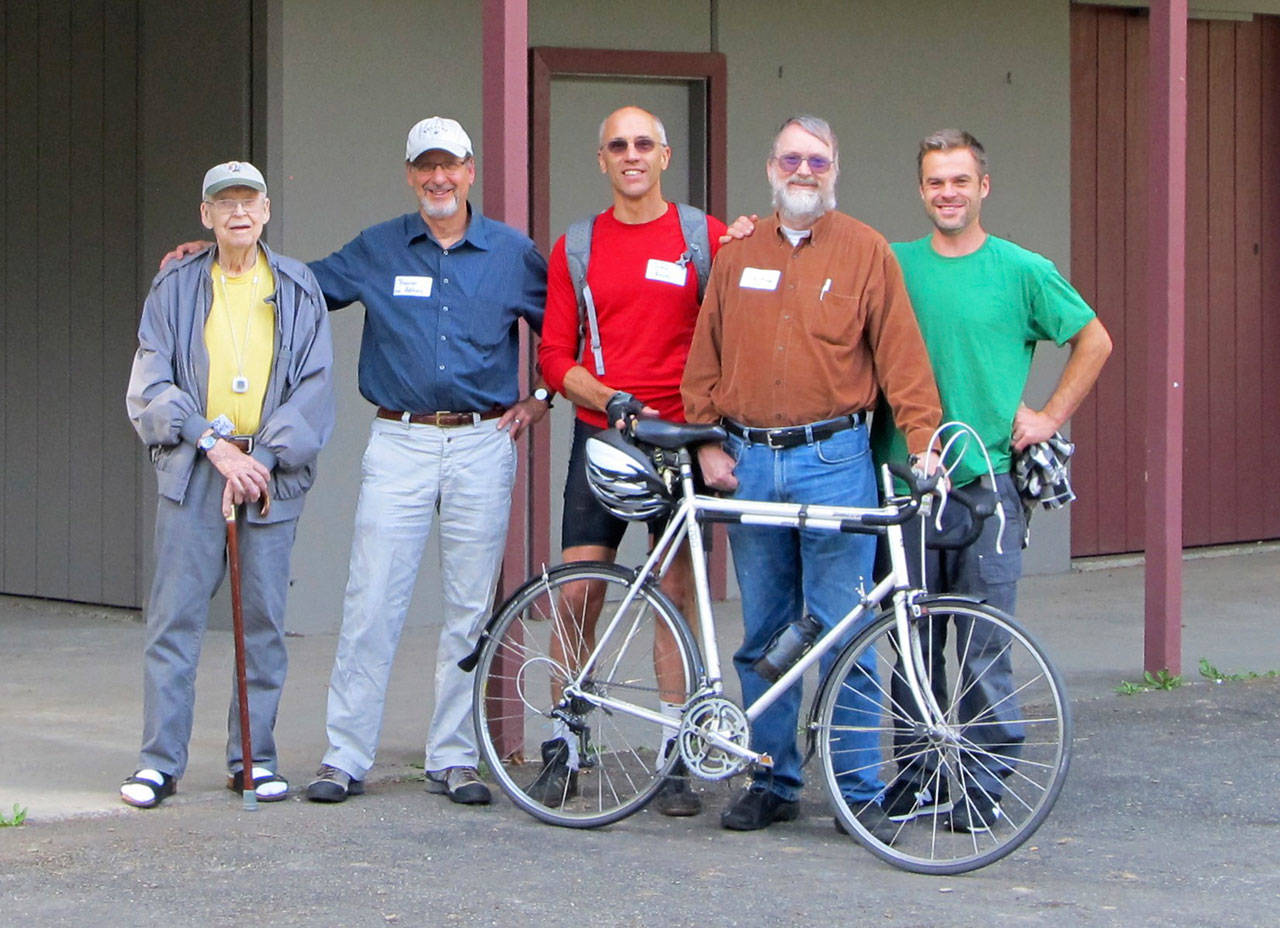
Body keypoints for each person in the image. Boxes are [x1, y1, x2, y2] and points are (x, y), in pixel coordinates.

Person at [163, 120, 547, 807]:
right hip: (399, 440)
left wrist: (541, 398)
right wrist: (220, 250)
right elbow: (294, 285)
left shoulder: (513, 254)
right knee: (372, 600)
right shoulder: (378, 247)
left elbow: (566, 323)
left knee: (467, 606)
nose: (438, 178)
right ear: (409, 173)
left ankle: (454, 757)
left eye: (449, 166)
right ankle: (346, 756)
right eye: (425, 167)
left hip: (482, 442)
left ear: (470, 171)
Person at [680, 115, 942, 836]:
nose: (803, 170)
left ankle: (856, 790)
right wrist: (705, 444)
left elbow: (902, 360)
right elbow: (704, 359)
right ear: (770, 167)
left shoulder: (866, 252)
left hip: (835, 464)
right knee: (764, 632)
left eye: (816, 160)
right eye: (791, 157)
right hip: (748, 463)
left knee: (844, 631)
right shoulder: (737, 258)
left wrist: (924, 444)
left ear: (835, 168)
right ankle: (770, 780)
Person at [870, 129, 1111, 831]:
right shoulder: (892, 264)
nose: (947, 193)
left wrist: (1049, 415)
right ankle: (917, 775)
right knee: (912, 645)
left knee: (983, 645)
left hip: (987, 486)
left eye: (959, 181)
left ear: (984, 187)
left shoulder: (1021, 270)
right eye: (935, 182)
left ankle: (982, 782)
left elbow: (1092, 339)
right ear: (921, 191)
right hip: (905, 484)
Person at [532, 106, 733, 817]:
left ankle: (675, 752)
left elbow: (732, 331)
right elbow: (555, 356)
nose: (631, 155)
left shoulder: (701, 236)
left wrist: (710, 431)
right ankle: (565, 741)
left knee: (674, 596)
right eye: (617, 144)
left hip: (680, 440)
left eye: (643, 143)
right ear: (602, 159)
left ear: (666, 155)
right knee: (577, 593)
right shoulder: (577, 245)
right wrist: (610, 398)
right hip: (605, 436)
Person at [122, 160, 335, 809]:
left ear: (267, 210)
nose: (238, 213)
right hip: (196, 470)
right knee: (174, 621)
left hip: (267, 478)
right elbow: (149, 385)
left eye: (249, 201)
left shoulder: (297, 286)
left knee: (262, 623)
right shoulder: (176, 284)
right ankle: (160, 762)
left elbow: (316, 389)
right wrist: (214, 446)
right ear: (206, 214)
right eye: (224, 203)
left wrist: (263, 459)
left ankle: (254, 759)